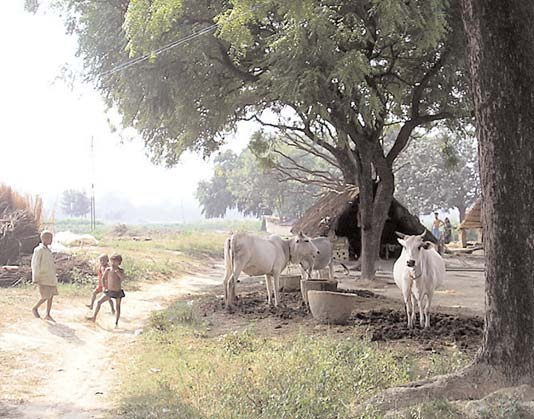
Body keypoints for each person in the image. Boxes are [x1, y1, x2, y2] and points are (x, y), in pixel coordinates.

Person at [91, 253, 125, 327]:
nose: (113, 263)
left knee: (118, 307)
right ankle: (94, 317)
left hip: (118, 292)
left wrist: (117, 272)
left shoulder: (120, 270)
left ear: (119, 262)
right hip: (109, 291)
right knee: (99, 302)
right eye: (112, 261)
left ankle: (116, 322)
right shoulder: (108, 269)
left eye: (115, 261)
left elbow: (122, 278)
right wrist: (104, 287)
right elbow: (103, 278)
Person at [31, 230, 58, 321]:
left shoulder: (48, 250)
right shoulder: (39, 250)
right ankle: (35, 308)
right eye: (50, 238)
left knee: (51, 296)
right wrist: (36, 277)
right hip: (43, 277)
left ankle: (48, 314)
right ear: (44, 239)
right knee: (45, 296)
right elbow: (35, 264)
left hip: (50, 277)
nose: (51, 240)